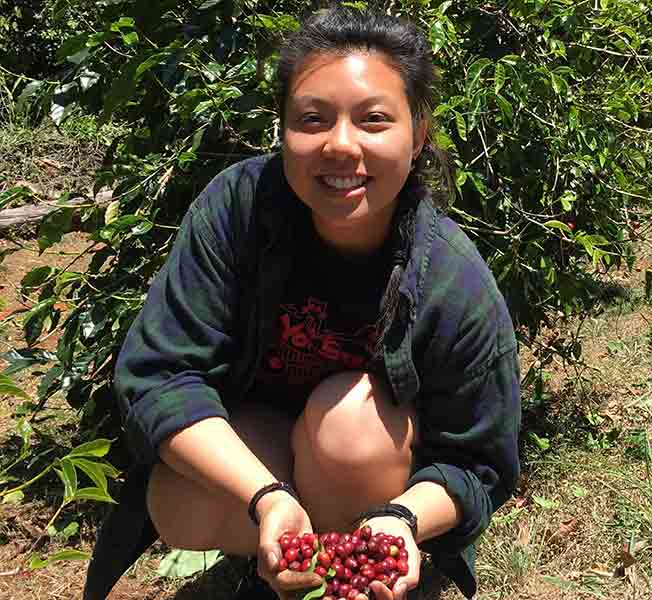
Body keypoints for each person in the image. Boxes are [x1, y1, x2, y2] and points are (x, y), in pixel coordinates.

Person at [81, 6, 521, 600]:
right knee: (177, 497)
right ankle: (283, 559)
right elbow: (160, 376)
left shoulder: (452, 277)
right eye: (312, 119)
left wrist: (402, 518)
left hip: (370, 463)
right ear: (282, 129)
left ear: (417, 135)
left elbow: (480, 462)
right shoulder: (238, 210)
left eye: (373, 120)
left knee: (351, 425)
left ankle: (355, 567)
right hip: (266, 453)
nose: (341, 145)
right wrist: (268, 498)